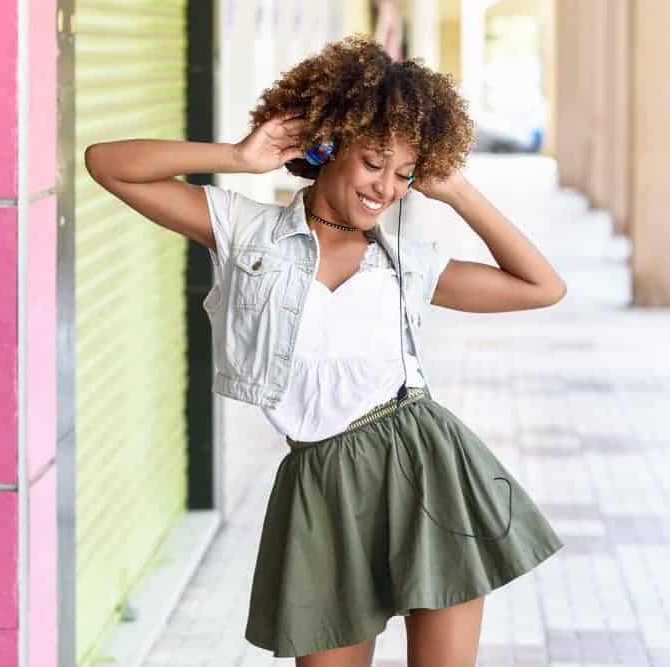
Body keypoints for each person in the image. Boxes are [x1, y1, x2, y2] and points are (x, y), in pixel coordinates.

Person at [84, 34, 566, 667]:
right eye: (373, 162)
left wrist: (456, 191)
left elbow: (542, 287)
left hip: (424, 465)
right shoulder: (242, 228)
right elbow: (106, 163)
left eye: (405, 173)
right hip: (320, 481)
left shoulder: (408, 268)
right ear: (330, 146)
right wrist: (238, 156)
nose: (386, 188)